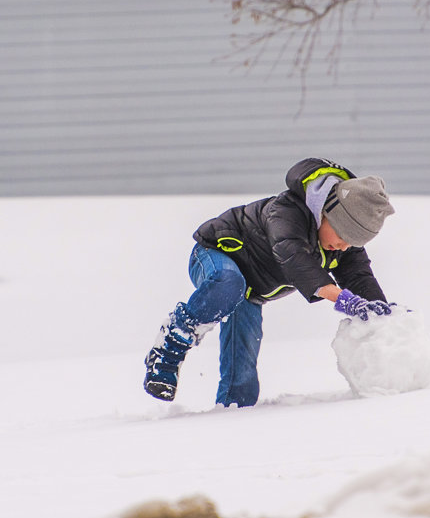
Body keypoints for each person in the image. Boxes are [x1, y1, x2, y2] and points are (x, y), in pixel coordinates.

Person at [143, 158, 396, 407]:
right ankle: (172, 342)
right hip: (215, 255)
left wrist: (382, 315)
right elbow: (294, 257)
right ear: (327, 214)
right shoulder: (287, 212)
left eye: (353, 243)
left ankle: (231, 420)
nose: (343, 246)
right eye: (342, 235)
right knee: (228, 283)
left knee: (242, 380)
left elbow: (360, 277)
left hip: (248, 291)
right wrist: (341, 298)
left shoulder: (342, 246)